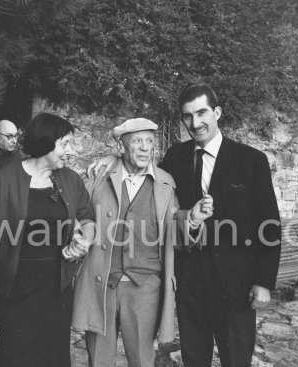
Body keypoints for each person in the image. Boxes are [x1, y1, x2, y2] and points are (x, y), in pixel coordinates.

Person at [90, 83, 281, 367]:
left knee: (236, 359)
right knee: (194, 358)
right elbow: (141, 167)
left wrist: (263, 282)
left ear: (217, 112)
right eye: (188, 116)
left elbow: (269, 222)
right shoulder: (176, 158)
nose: (195, 123)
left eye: (202, 113)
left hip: (236, 282)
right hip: (191, 281)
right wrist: (114, 159)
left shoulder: (250, 160)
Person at [73, 118, 213, 367]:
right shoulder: (99, 177)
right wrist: (77, 232)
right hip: (102, 282)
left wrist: (191, 219)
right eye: (137, 141)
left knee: (142, 360)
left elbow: (174, 232)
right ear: (122, 146)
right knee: (99, 361)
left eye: (150, 141)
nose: (145, 147)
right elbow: (77, 214)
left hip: (145, 287)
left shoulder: (166, 183)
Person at [0, 112, 96, 367]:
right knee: (15, 356)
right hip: (16, 288)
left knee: (54, 357)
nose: (70, 151)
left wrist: (84, 241)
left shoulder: (70, 179)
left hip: (57, 288)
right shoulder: (4, 180)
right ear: (46, 143)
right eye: (65, 144)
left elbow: (88, 220)